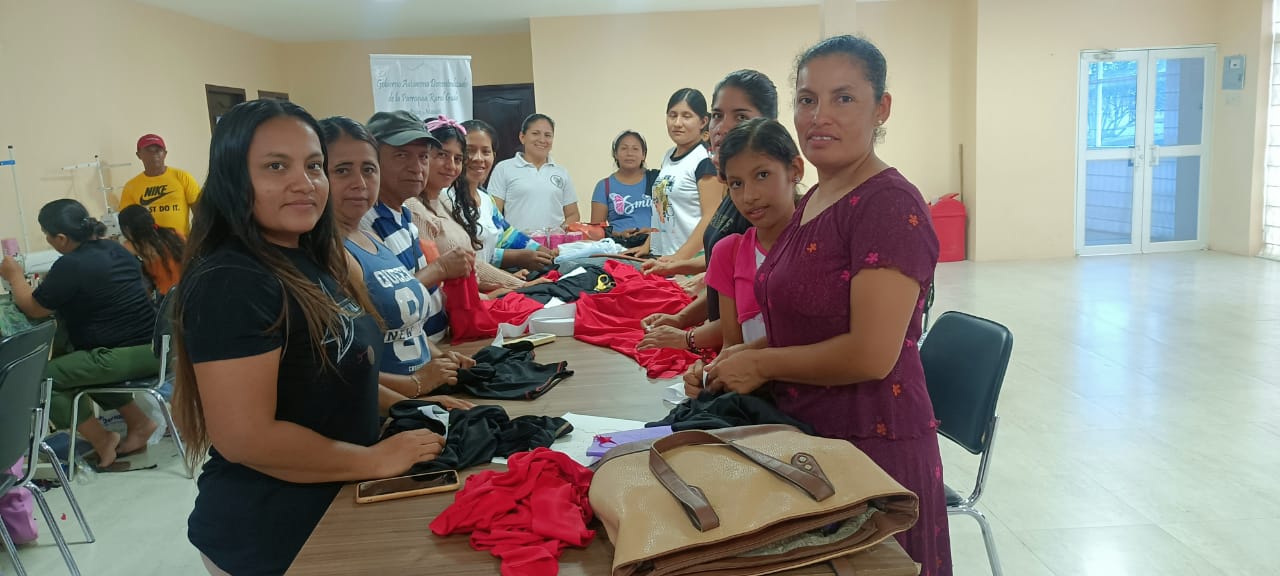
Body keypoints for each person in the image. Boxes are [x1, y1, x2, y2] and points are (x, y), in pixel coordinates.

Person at [700, 36, 951, 574]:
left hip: (870, 445)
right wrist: (740, 358)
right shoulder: (816, 198)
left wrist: (762, 364)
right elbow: (808, 323)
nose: (819, 116)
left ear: (881, 108)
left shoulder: (886, 205)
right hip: (811, 436)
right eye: (807, 99)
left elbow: (870, 355)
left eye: (844, 98)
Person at [171, 99, 447, 576]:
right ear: (233, 177)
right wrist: (373, 461)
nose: (305, 182)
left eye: (314, 165)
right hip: (274, 531)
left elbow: (338, 371)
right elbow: (246, 438)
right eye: (276, 166)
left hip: (335, 498)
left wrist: (411, 403)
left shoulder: (308, 258)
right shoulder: (233, 280)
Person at [320, 115, 476, 409]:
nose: (360, 183)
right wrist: (415, 392)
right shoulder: (329, 250)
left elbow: (406, 325)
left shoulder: (372, 237)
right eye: (342, 170)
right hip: (388, 411)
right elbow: (341, 368)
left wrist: (437, 360)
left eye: (368, 169)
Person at [0, 199, 160, 468]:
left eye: (48, 235)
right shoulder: (115, 249)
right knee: (78, 362)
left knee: (43, 379)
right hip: (155, 348)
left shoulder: (71, 265)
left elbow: (34, 308)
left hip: (121, 355)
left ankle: (103, 440)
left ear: (61, 238)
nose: (48, 241)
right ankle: (139, 423)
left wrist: (14, 276)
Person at [640, 70, 779, 353]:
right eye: (717, 115)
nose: (722, 128)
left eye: (740, 117)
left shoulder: (765, 209)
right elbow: (727, 285)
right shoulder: (734, 193)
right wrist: (682, 318)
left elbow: (758, 319)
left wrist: (688, 338)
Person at [360, 110, 475, 341]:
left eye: (423, 156)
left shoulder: (404, 216)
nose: (417, 168)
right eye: (402, 155)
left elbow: (421, 292)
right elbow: (387, 305)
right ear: (372, 160)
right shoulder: (366, 223)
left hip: (436, 345)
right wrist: (441, 269)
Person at [703, 118, 802, 348]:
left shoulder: (820, 244)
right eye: (736, 184)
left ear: (795, 170)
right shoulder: (728, 253)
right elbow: (731, 345)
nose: (749, 196)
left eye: (762, 175)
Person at [405, 116, 530, 292]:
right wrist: (493, 294)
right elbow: (435, 285)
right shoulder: (414, 207)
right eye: (442, 155)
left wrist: (519, 285)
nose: (451, 166)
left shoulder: (445, 203)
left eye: (457, 159)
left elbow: (473, 263)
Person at [453, 119, 554, 273]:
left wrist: (543, 251)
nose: (478, 158)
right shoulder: (446, 199)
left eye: (486, 152)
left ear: (493, 155)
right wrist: (518, 259)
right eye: (470, 150)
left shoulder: (486, 199)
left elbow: (507, 234)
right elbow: (475, 256)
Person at [646, 88, 713, 258]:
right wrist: (647, 245)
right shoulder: (668, 156)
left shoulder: (705, 160)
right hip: (662, 257)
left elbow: (711, 217)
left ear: (703, 121)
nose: (677, 123)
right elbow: (663, 209)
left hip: (691, 261)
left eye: (686, 116)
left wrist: (678, 259)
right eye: (672, 115)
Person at [487, 113, 580, 233]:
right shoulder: (504, 168)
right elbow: (494, 214)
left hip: (554, 243)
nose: (542, 140)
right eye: (535, 133)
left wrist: (558, 233)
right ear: (522, 137)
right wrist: (512, 238)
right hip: (518, 243)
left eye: (548, 135)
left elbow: (573, 214)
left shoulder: (562, 172)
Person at [118, 133, 202, 235]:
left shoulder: (182, 177)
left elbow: (200, 213)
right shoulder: (131, 186)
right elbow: (127, 222)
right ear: (139, 155)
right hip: (148, 243)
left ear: (165, 153)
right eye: (149, 150)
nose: (154, 154)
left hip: (181, 242)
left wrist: (196, 239)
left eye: (158, 150)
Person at [590, 130, 654, 234]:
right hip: (618, 243)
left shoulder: (656, 180)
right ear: (615, 154)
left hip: (654, 242)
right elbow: (596, 231)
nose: (629, 153)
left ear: (643, 155)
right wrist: (620, 236)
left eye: (635, 149)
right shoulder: (604, 186)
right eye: (624, 148)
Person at [118, 204, 185, 295]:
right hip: (189, 289)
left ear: (127, 229)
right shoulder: (175, 233)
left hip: (165, 297)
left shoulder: (131, 247)